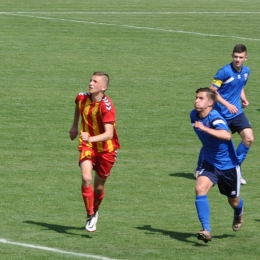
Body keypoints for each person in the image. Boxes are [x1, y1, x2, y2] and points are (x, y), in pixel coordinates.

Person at [191, 87, 245, 243]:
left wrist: (204, 128)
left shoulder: (215, 118)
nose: (196, 100)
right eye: (196, 97)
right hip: (209, 163)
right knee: (200, 188)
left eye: (201, 98)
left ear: (210, 102)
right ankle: (206, 230)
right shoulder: (193, 115)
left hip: (228, 166)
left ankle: (239, 211)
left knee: (233, 200)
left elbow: (227, 136)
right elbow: (206, 143)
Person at [194, 44, 254, 185]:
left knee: (249, 138)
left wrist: (243, 98)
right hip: (221, 113)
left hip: (237, 113)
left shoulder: (246, 71)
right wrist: (227, 104)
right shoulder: (224, 71)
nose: (237, 59)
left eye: (240, 57)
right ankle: (200, 167)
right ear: (232, 56)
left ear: (246, 58)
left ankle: (236, 168)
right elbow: (212, 90)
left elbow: (240, 86)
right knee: (213, 143)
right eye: (235, 57)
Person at [69, 71, 120, 232]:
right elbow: (78, 107)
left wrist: (90, 138)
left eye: (95, 81)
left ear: (103, 87)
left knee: (98, 187)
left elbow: (109, 134)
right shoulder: (82, 97)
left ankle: (95, 209)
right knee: (86, 177)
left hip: (107, 150)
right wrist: (75, 126)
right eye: (90, 80)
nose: (91, 83)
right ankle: (90, 214)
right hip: (87, 146)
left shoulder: (107, 107)